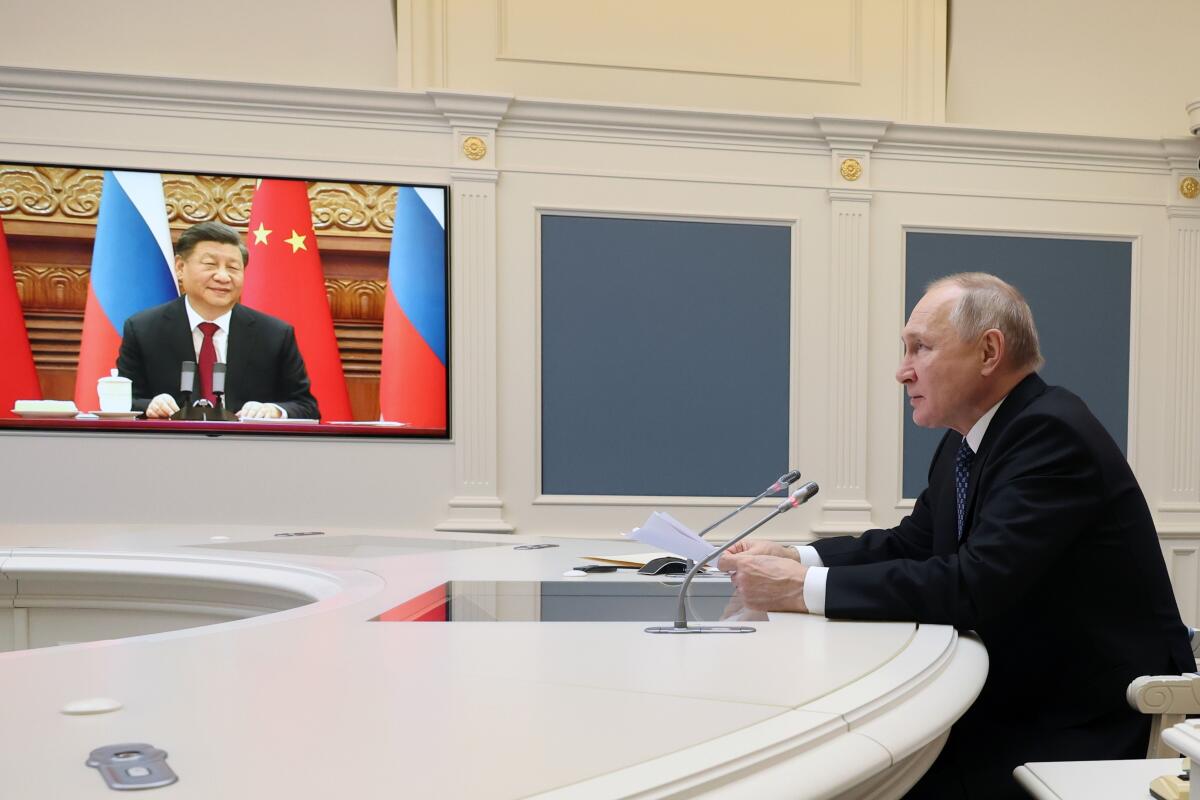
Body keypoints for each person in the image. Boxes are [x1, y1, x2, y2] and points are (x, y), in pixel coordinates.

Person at [720, 273, 1193, 799]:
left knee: (866, 775)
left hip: (1088, 717)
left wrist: (797, 589)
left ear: (989, 351)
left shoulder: (1050, 433)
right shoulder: (968, 441)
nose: (902, 371)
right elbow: (914, 542)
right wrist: (796, 555)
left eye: (920, 348)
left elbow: (973, 585)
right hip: (1021, 695)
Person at [117, 221, 320, 420]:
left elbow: (306, 407)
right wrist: (150, 405)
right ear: (180, 267)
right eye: (210, 264)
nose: (223, 277)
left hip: (247, 448)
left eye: (233, 268)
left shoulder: (274, 334)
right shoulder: (144, 329)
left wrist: (275, 411)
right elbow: (122, 401)